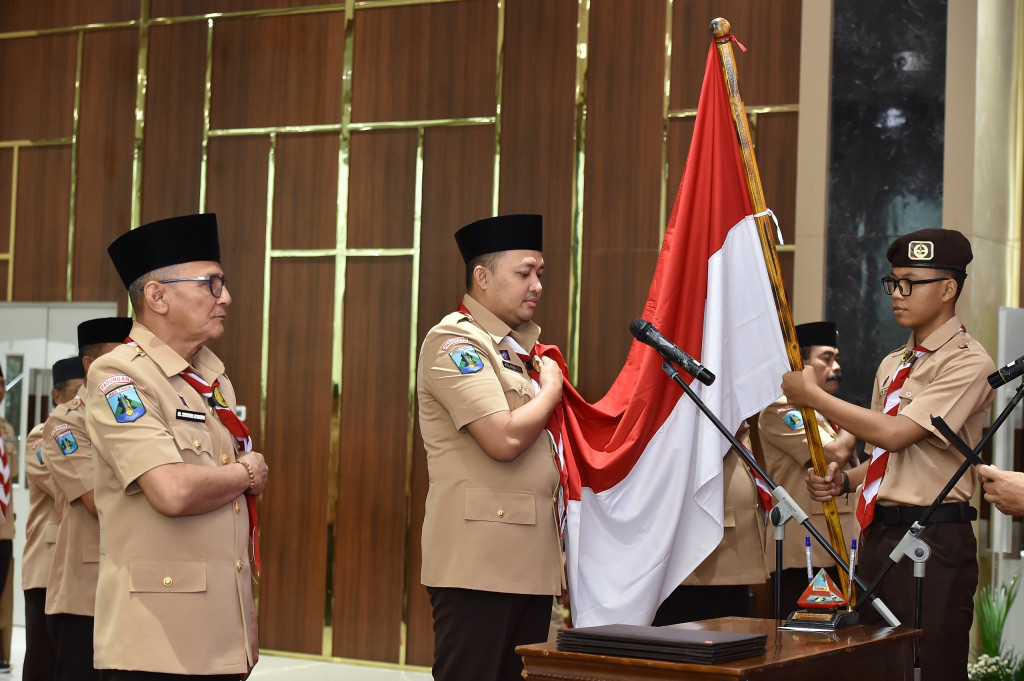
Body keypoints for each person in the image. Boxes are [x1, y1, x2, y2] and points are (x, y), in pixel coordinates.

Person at [788, 228, 993, 680]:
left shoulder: (968, 361)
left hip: (932, 539)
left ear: (948, 289)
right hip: (878, 535)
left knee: (929, 665)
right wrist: (845, 480)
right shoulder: (894, 363)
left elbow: (899, 434)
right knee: (875, 665)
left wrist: (814, 397)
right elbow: (886, 457)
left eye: (910, 283)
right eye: (893, 283)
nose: (897, 294)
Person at [85, 213, 267, 680]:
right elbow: (171, 490)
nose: (225, 297)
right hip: (157, 642)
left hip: (217, 635)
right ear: (157, 296)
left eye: (223, 283)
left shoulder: (208, 377)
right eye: (210, 283)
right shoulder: (120, 376)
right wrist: (247, 473)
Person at [418, 214, 564, 681]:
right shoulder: (455, 342)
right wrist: (551, 391)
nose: (536, 285)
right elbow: (504, 438)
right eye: (524, 273)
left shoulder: (520, 352)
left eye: (540, 273)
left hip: (529, 562)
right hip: (478, 566)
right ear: (482, 277)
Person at [42, 318, 133, 680]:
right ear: (90, 364)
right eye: (117, 357)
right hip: (86, 591)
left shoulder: (134, 411)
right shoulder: (66, 424)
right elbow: (97, 502)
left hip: (135, 582)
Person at [759, 321, 859, 610]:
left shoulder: (825, 412)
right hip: (807, 551)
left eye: (837, 358)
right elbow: (834, 454)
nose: (836, 367)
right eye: (826, 359)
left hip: (841, 547)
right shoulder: (781, 409)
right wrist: (859, 419)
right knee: (806, 632)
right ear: (801, 364)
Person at [652, 425, 769, 625]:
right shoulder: (699, 417)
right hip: (704, 549)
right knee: (693, 626)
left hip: (734, 548)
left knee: (736, 633)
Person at [22, 356, 84, 681]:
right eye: (76, 390)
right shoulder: (40, 437)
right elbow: (67, 481)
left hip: (76, 564)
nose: (83, 397)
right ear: (56, 395)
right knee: (42, 659)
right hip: (46, 566)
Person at [0, 366, 17, 673]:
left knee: (2, 591)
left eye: (2, 384)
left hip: (4, 527)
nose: (0, 390)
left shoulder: (6, 429)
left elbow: (10, 475)